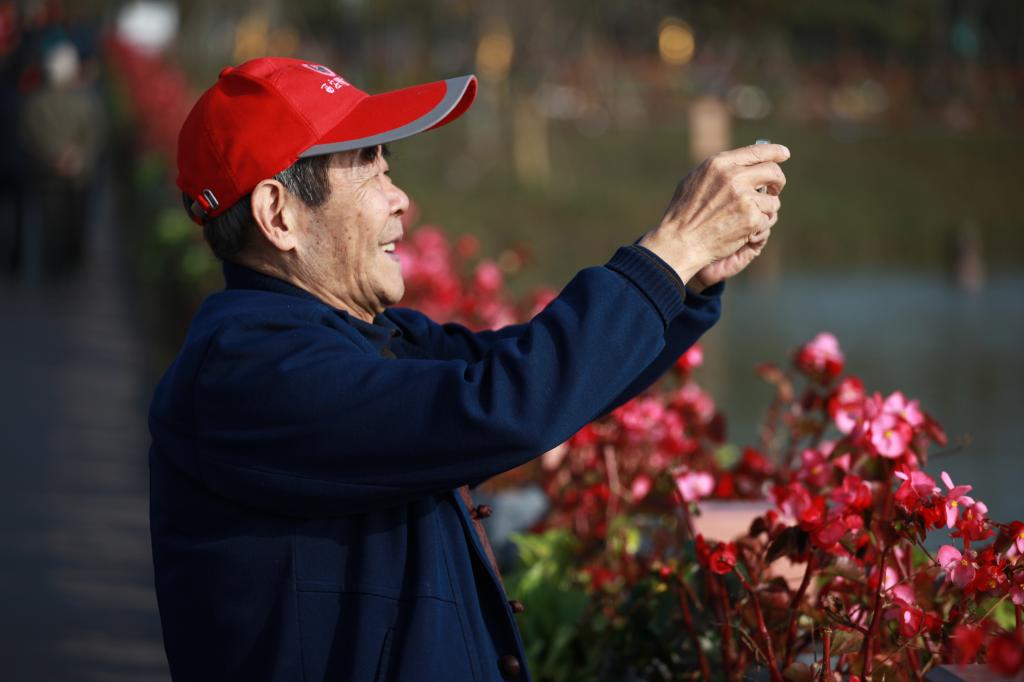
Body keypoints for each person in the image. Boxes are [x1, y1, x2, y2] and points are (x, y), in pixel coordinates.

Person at [149, 57, 788, 682]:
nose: (400, 199)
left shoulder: (357, 340)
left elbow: (532, 375)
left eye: (388, 166)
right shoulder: (248, 373)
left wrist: (686, 283)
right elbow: (505, 406)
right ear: (278, 215)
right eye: (369, 169)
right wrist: (671, 249)